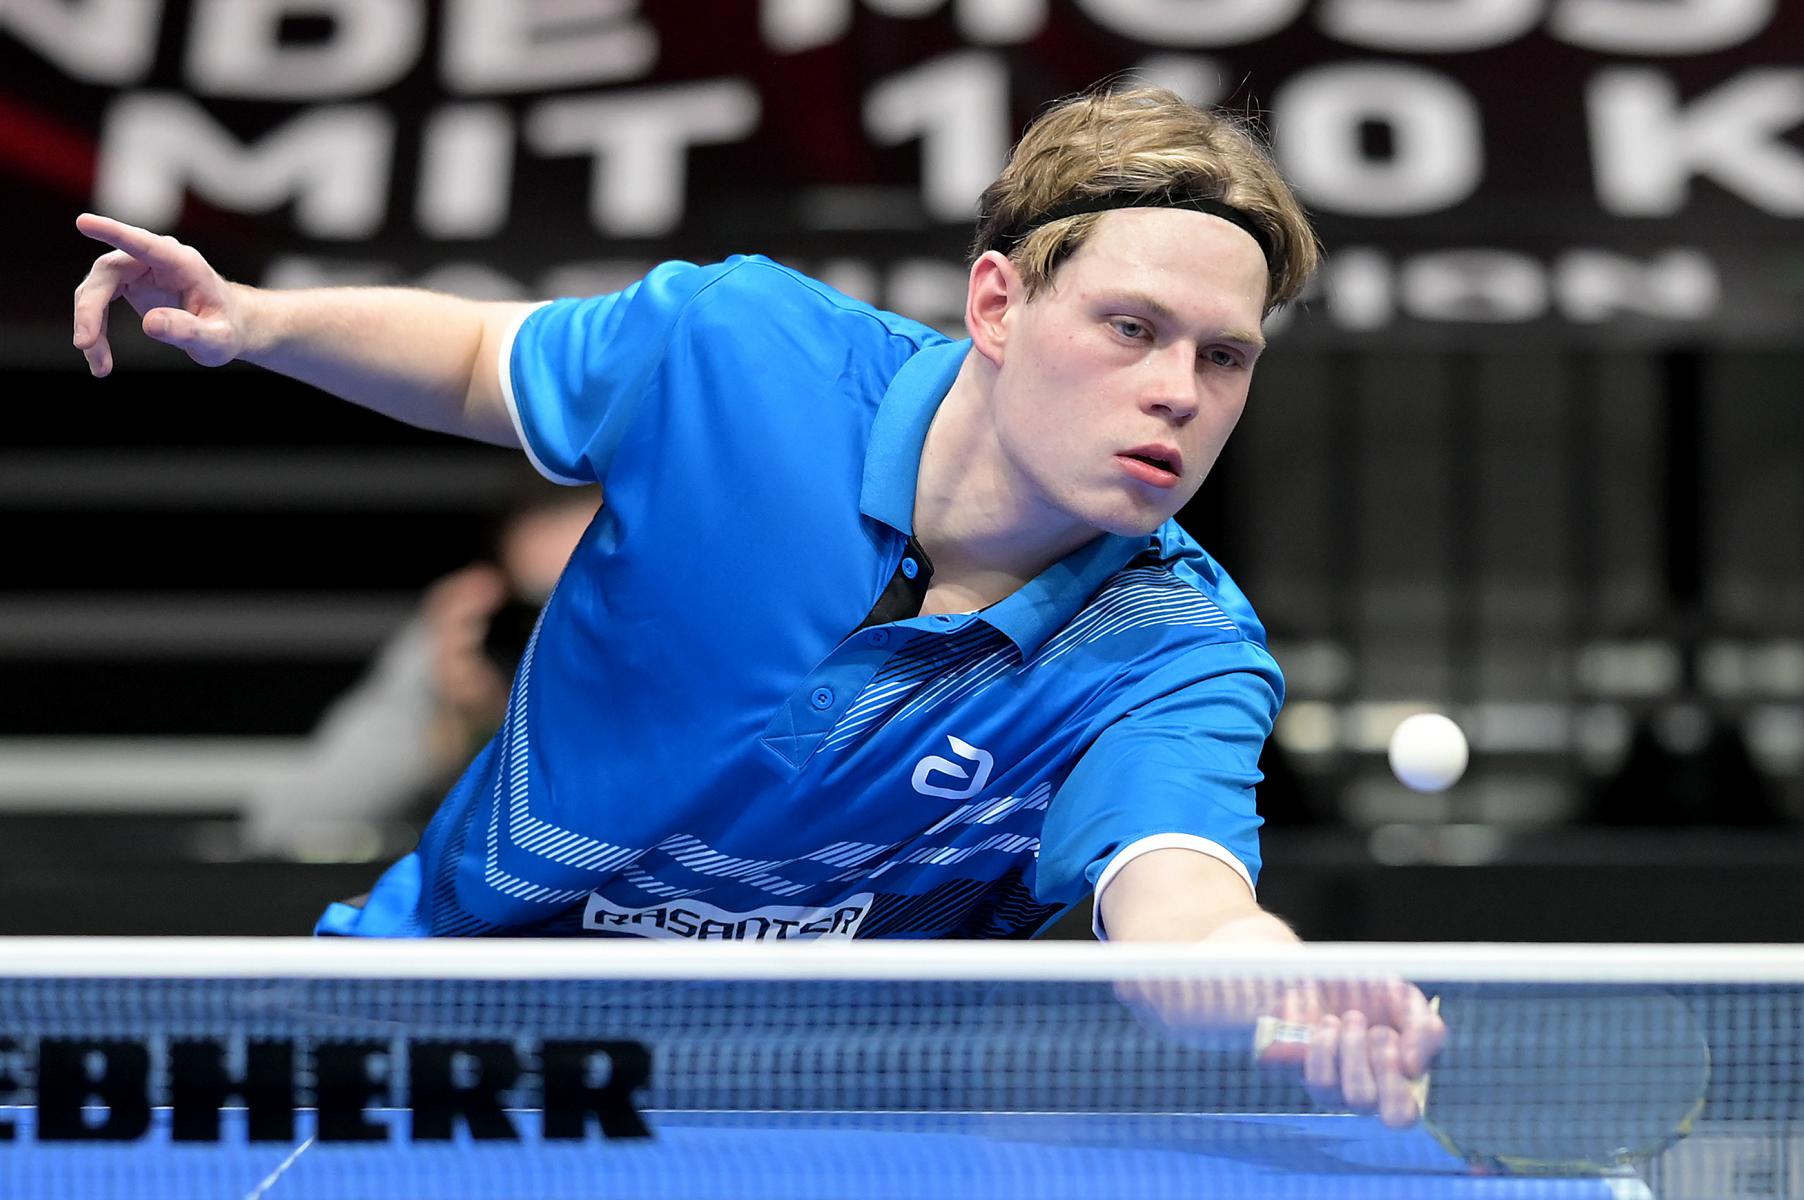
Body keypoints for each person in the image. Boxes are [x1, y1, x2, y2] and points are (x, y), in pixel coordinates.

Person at [72, 85, 1443, 1126]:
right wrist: (256, 322)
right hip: (454, 1039)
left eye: (1224, 357)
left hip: (826, 1109)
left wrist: (1279, 988)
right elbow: (488, 358)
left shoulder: (1176, 652)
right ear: (997, 304)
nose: (1177, 393)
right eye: (1130, 328)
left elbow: (1178, 905)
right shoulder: (739, 354)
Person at [244, 475, 599, 860]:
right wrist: (454, 731)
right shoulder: (470, 648)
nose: (556, 634)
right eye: (534, 609)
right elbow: (286, 820)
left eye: (593, 599)